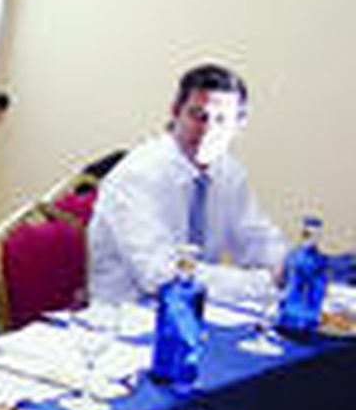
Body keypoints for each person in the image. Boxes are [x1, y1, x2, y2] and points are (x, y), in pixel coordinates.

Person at [88, 63, 286, 304]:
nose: (207, 130)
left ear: (239, 125)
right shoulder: (138, 175)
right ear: (175, 112)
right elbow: (161, 276)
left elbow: (256, 237)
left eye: (221, 120)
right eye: (198, 116)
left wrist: (287, 268)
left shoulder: (228, 172)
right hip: (129, 313)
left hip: (200, 308)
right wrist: (263, 282)